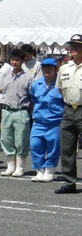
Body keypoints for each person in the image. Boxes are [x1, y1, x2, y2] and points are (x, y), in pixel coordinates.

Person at [54, 34, 82, 194]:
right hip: (68, 110)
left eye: (78, 46)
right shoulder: (64, 68)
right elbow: (60, 88)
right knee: (67, 148)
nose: (74, 49)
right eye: (72, 46)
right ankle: (70, 183)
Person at [0, 48, 33, 177]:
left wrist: (30, 113)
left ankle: (20, 167)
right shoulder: (6, 77)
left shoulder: (28, 78)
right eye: (12, 60)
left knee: (21, 140)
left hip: (21, 111)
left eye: (17, 60)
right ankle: (10, 166)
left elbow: (32, 97)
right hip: (6, 111)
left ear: (22, 61)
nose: (14, 62)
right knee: (6, 139)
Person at [29, 58, 64, 183]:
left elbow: (64, 101)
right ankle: (39, 170)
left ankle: (49, 171)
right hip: (38, 122)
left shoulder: (60, 85)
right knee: (35, 146)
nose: (47, 70)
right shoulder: (36, 84)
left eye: (50, 67)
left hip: (54, 122)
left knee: (53, 147)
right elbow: (34, 99)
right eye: (44, 67)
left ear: (55, 69)